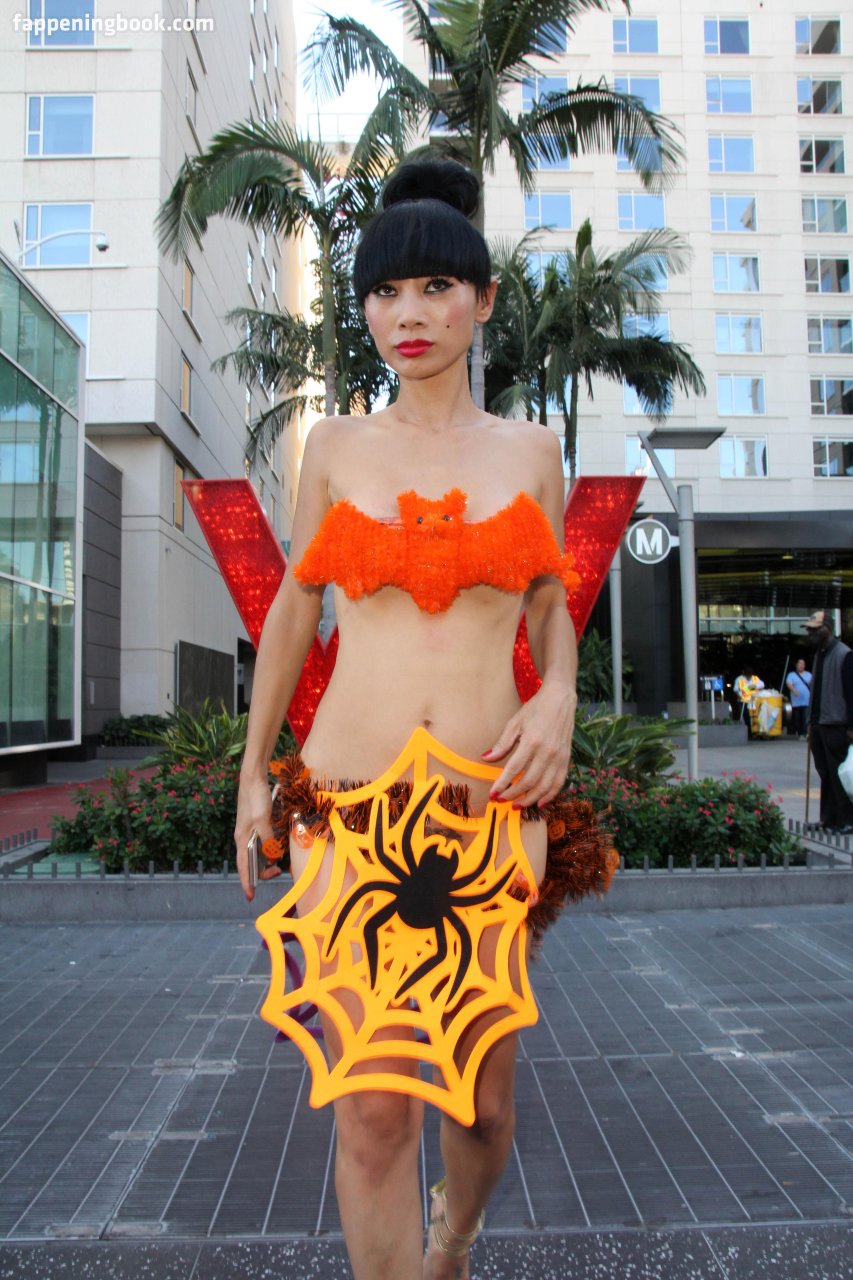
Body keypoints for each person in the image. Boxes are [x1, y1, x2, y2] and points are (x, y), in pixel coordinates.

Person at [233, 159, 614, 1280]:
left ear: (482, 301)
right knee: (372, 1111)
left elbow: (548, 607)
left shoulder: (530, 452)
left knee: (481, 1107)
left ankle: (456, 1228)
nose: (409, 313)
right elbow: (295, 608)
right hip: (348, 804)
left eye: (438, 287)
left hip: (491, 807)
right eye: (385, 291)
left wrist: (559, 693)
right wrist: (253, 770)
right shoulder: (334, 448)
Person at [805, 610, 853, 834]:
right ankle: (828, 818)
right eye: (810, 630)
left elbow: (851, 694)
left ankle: (847, 819)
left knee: (839, 774)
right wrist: (810, 723)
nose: (811, 634)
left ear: (828, 628)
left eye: (815, 630)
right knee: (825, 773)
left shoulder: (844, 654)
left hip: (836, 724)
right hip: (819, 723)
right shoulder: (820, 654)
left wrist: (851, 727)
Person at [734, 665, 764, 740]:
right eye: (747, 676)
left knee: (754, 716)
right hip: (743, 700)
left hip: (753, 701)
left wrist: (752, 687)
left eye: (750, 676)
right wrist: (742, 693)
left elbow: (762, 685)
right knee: (745, 716)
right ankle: (748, 734)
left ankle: (754, 732)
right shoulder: (739, 679)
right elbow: (736, 689)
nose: (748, 677)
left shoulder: (754, 678)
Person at [785, 658, 812, 739]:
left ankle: (804, 733)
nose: (801, 665)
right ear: (796, 665)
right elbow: (789, 683)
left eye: (803, 664)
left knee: (805, 717)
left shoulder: (809, 675)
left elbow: (812, 684)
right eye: (799, 664)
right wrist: (794, 690)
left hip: (806, 701)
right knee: (797, 718)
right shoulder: (791, 675)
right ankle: (800, 732)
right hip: (796, 701)